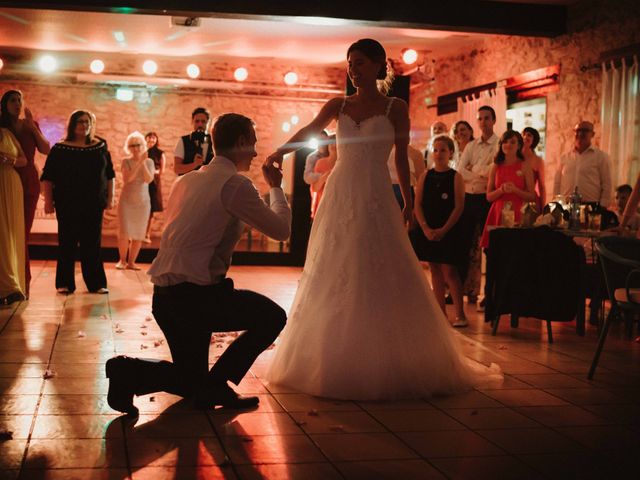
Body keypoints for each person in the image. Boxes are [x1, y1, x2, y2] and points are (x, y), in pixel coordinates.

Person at [265, 38, 501, 400]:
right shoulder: (337, 104)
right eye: (349, 63)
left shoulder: (395, 106)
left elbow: (402, 159)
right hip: (341, 191)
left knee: (379, 266)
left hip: (376, 191)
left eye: (359, 62)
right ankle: (331, 354)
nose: (353, 70)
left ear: (378, 66)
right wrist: (280, 152)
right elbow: (310, 131)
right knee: (336, 266)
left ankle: (387, 353)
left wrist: (407, 201)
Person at [105, 113, 291, 415]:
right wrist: (277, 188)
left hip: (164, 297)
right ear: (242, 142)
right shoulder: (235, 185)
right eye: (253, 144)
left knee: (191, 381)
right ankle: (217, 384)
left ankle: (126, 372)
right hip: (197, 298)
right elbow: (282, 231)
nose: (256, 152)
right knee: (273, 317)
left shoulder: (186, 180)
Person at [40, 110, 115, 294]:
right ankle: (64, 283)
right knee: (67, 243)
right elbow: (47, 177)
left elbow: (110, 175)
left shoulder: (100, 146)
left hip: (93, 203)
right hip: (67, 203)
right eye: (80, 121)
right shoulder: (61, 148)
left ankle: (96, 283)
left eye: (87, 122)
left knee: (92, 244)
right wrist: (48, 203)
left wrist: (110, 199)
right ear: (73, 125)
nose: (84, 125)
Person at [410, 136, 467, 327]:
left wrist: (444, 229)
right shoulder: (426, 176)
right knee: (434, 269)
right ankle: (440, 315)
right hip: (429, 227)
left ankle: (460, 314)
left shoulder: (455, 177)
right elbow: (417, 204)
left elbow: (459, 206)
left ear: (450, 153)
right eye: (435, 150)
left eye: (443, 150)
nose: (439, 154)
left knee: (450, 270)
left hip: (448, 228)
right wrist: (425, 227)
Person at [0, 90, 51, 298]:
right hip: (4, 180)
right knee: (4, 235)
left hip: (27, 181)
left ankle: (23, 284)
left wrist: (33, 129)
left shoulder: (30, 125)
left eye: (20, 99)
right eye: (13, 100)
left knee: (22, 234)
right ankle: (8, 282)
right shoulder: (2, 126)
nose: (18, 103)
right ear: (4, 104)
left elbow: (46, 149)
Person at [458, 106, 499, 307]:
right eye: (480, 118)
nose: (483, 122)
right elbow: (460, 169)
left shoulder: (500, 144)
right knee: (465, 244)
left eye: (487, 118)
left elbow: (494, 171)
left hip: (487, 199)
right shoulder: (471, 146)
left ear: (494, 120)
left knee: (489, 248)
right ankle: (464, 291)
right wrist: (480, 172)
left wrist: (473, 169)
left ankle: (489, 294)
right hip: (469, 198)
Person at [480, 130, 535, 249]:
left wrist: (515, 190)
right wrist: (501, 190)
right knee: (497, 251)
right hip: (498, 212)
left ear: (519, 145)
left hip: (518, 212)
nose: (508, 145)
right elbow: (488, 197)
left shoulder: (525, 166)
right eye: (505, 142)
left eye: (512, 142)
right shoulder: (495, 166)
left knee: (515, 250)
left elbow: (532, 196)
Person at [116, 132, 155, 270]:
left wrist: (143, 163)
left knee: (139, 232)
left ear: (142, 145)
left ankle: (132, 262)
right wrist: (138, 162)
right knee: (124, 231)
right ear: (129, 147)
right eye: (132, 145)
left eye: (138, 145)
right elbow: (128, 180)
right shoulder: (126, 161)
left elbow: (148, 179)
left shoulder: (149, 162)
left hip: (143, 201)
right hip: (126, 200)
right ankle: (122, 260)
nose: (136, 148)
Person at [553, 121, 612, 207]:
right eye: (577, 130)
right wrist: (556, 204)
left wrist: (602, 207)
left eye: (585, 130)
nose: (580, 133)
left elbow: (607, 184)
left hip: (591, 207)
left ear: (592, 134)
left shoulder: (601, 157)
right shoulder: (564, 158)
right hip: (566, 206)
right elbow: (557, 183)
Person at [0, 127, 27, 305]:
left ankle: (13, 285)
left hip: (10, 182)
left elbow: (24, 160)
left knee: (10, 232)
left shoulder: (7, 133)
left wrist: (10, 159)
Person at [303, 131, 336, 218]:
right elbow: (307, 177)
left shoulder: (332, 154)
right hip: (319, 193)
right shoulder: (312, 157)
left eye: (324, 140)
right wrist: (323, 175)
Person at [173, 107, 213, 176]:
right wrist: (194, 164)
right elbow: (177, 169)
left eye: (203, 121)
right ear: (192, 122)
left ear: (208, 123)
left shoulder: (213, 141)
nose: (200, 124)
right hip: (187, 184)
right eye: (197, 121)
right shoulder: (183, 141)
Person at [144, 132, 165, 243]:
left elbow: (162, 170)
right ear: (146, 139)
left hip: (154, 183)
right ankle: (138, 234)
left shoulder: (160, 153)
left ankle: (147, 234)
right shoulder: (142, 151)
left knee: (151, 210)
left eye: (153, 138)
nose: (151, 140)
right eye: (149, 138)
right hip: (142, 183)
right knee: (141, 209)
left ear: (156, 140)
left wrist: (153, 172)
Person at [388, 143, 425, 209]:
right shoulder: (383, 152)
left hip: (406, 192)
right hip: (388, 192)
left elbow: (421, 183)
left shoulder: (415, 154)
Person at [522, 127, 546, 214]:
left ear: (534, 140)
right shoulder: (514, 157)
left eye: (529, 135)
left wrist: (544, 208)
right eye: (523, 134)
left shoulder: (538, 160)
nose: (525, 137)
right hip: (515, 197)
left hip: (531, 201)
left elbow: (542, 186)